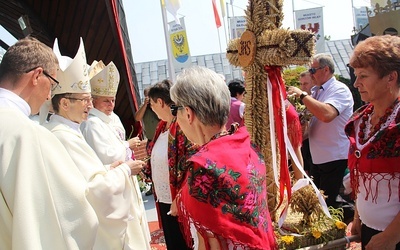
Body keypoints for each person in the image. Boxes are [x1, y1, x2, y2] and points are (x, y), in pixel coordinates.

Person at [44, 38, 148, 250]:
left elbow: (85, 177)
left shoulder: (69, 131)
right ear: (64, 103)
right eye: (84, 99)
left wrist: (108, 169)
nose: (90, 106)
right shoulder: (63, 135)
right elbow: (92, 190)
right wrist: (125, 169)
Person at [0, 37, 98, 249]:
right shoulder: (28, 135)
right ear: (37, 76)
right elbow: (70, 219)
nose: (48, 97)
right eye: (52, 84)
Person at [170, 66, 277, 249]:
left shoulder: (204, 166)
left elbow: (211, 243)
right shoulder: (247, 145)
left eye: (174, 110)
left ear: (188, 113)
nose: (174, 118)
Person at [80, 60, 151, 249]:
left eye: (112, 99)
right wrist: (127, 145)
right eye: (105, 100)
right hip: (115, 183)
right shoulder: (92, 124)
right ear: (94, 101)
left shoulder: (113, 118)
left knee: (137, 223)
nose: (111, 104)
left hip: (128, 178)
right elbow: (106, 156)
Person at [346, 35, 400, 250]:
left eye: (364, 76)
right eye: (356, 75)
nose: (356, 83)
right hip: (371, 229)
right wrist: (358, 217)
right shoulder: (361, 119)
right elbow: (361, 177)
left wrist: (390, 237)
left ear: (391, 78)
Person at [287, 53, 354, 209]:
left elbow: (326, 114)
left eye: (313, 70)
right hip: (319, 158)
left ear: (325, 70)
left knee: (331, 203)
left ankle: (354, 221)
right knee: (321, 202)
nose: (311, 74)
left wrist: (302, 94)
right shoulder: (318, 90)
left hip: (335, 156)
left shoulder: (339, 89)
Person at [144, 79, 195, 250]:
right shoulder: (161, 126)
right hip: (164, 197)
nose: (151, 108)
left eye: (151, 104)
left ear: (160, 102)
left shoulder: (181, 126)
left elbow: (189, 162)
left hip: (179, 198)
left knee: (183, 242)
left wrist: (180, 197)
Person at [299, 71, 315, 174]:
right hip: (304, 143)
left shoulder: (317, 99)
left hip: (314, 143)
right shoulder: (302, 100)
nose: (302, 87)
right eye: (301, 84)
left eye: (305, 84)